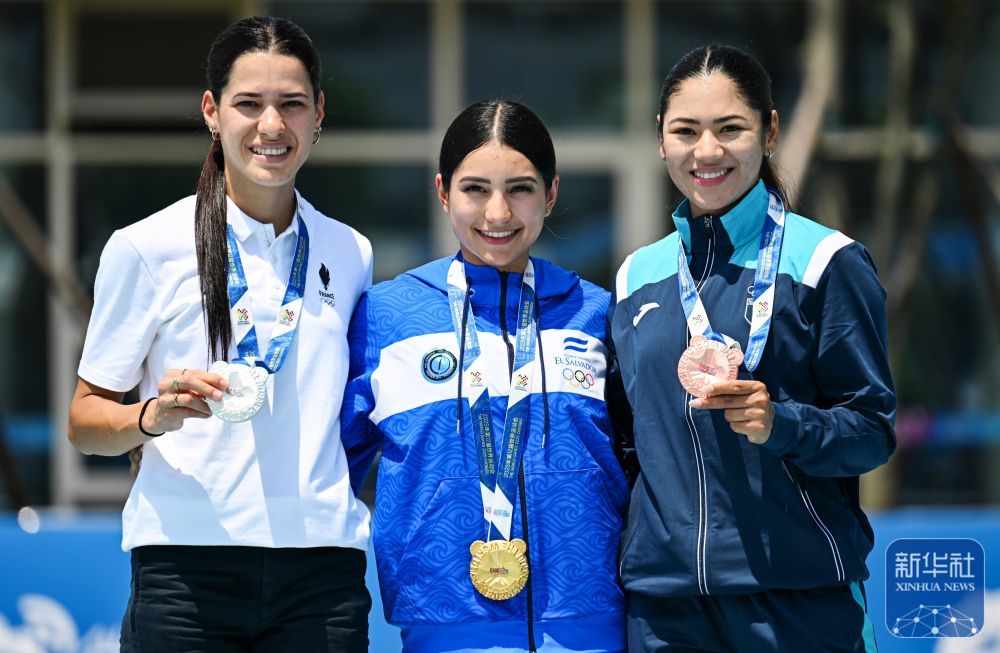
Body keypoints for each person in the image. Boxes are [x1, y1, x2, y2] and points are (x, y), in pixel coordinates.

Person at [67, 16, 372, 652]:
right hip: (186, 572)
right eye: (248, 104)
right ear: (212, 111)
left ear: (319, 113)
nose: (272, 125)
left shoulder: (351, 251)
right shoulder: (147, 247)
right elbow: (85, 422)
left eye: (292, 104)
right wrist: (152, 417)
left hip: (321, 574)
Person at [607, 44, 896, 653]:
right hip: (667, 610)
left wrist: (781, 424)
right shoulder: (636, 277)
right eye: (686, 131)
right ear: (661, 139)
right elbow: (630, 441)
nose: (707, 151)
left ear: (770, 133)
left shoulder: (825, 262)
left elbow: (872, 431)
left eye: (730, 128)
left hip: (796, 601)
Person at [341, 100, 627, 653]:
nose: (498, 213)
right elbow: (331, 467)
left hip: (588, 621)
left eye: (520, 189)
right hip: (444, 622)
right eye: (475, 189)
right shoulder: (385, 317)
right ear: (443, 192)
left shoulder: (595, 313)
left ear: (551, 193)